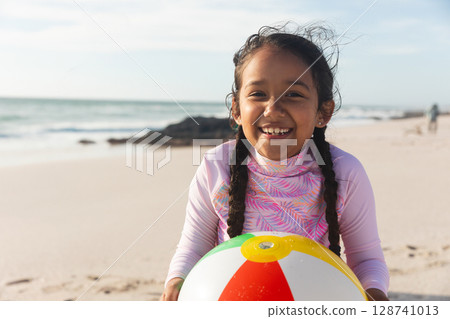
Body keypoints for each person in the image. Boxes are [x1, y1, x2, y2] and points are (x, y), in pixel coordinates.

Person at [160, 24, 389, 301]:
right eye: (257, 94)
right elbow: (193, 248)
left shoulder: (345, 172)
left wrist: (374, 296)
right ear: (236, 109)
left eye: (294, 94)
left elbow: (366, 259)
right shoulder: (216, 167)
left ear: (323, 111)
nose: (273, 109)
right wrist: (177, 282)